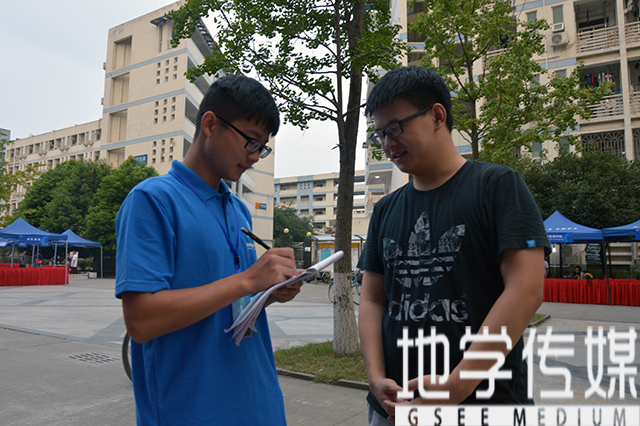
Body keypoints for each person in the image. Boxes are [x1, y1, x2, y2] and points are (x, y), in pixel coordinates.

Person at [357, 66, 551, 425]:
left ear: (437, 116)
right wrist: (375, 377)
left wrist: (455, 387)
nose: (387, 143)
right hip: (393, 407)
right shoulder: (385, 209)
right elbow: (372, 299)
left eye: (395, 128)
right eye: (379, 134)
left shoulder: (498, 186)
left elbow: (526, 290)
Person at [115, 74, 302, 426]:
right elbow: (141, 320)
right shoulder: (152, 201)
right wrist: (248, 281)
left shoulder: (239, 210)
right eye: (251, 142)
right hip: (191, 410)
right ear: (211, 124)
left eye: (262, 148)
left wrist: (269, 292)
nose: (254, 157)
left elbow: (230, 302)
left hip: (259, 403)